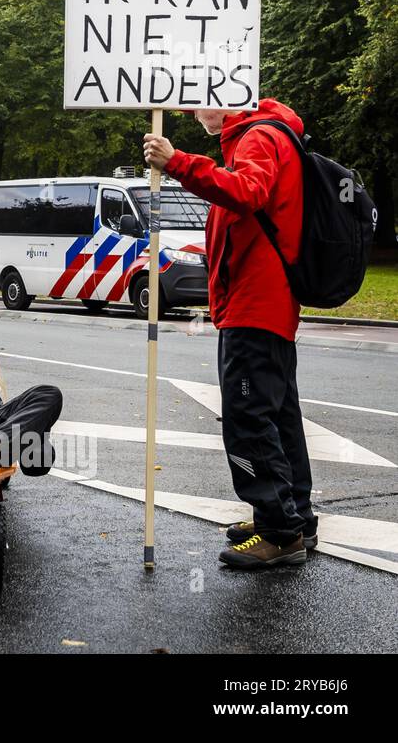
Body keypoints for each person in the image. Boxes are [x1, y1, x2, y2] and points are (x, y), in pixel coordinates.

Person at [144, 98, 315, 570]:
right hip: (264, 302)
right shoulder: (268, 134)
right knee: (278, 416)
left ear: (220, 104)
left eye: (196, 108)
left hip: (254, 304)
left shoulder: (258, 136)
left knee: (248, 421)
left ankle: (280, 532)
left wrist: (178, 162)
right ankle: (295, 517)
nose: (194, 119)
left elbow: (249, 193)